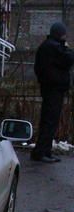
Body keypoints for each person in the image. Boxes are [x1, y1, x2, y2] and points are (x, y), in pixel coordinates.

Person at [31, 22, 74, 163]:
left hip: (51, 88)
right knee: (50, 121)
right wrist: (66, 47)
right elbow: (69, 58)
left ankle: (45, 151)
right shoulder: (53, 47)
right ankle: (41, 152)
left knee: (49, 121)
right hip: (53, 89)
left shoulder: (48, 46)